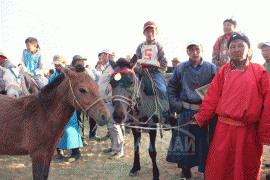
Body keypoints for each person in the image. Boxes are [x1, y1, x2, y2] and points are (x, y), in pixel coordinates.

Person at [193, 32, 270, 179]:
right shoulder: (222, 71)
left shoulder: (260, 72)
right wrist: (201, 117)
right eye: (232, 46)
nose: (236, 49)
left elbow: (268, 104)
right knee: (221, 168)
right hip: (224, 130)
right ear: (228, 51)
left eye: (241, 46)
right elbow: (211, 98)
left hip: (249, 132)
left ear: (249, 50)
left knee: (247, 170)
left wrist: (265, 132)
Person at [166, 40, 218, 179]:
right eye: (191, 50)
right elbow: (171, 87)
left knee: (206, 143)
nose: (194, 53)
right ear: (187, 52)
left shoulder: (212, 68)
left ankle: (208, 171)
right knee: (185, 142)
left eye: (197, 49)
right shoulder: (180, 68)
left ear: (201, 50)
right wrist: (176, 104)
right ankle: (185, 171)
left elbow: (219, 89)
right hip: (186, 111)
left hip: (205, 112)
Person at [49, 55, 83, 161]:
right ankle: (59, 151)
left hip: (68, 106)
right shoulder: (53, 76)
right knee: (56, 129)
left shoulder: (70, 75)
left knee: (70, 129)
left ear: (64, 64)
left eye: (58, 64)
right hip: (56, 107)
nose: (56, 66)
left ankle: (75, 152)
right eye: (55, 64)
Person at [136, 21, 170, 123]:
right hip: (142, 73)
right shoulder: (140, 46)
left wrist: (153, 67)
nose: (150, 33)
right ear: (144, 33)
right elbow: (136, 62)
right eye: (147, 31)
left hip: (155, 72)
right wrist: (141, 68)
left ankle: (165, 115)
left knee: (162, 89)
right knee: (133, 88)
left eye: (152, 31)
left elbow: (164, 63)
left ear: (156, 32)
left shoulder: (159, 46)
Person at [98, 48, 124, 159]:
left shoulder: (113, 67)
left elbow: (118, 80)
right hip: (106, 100)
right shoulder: (107, 68)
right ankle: (114, 147)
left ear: (106, 55)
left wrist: (109, 91)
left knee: (114, 125)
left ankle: (119, 150)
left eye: (102, 55)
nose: (100, 58)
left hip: (111, 100)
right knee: (110, 126)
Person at [70, 55, 97, 146]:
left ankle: (92, 134)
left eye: (83, 61)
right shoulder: (71, 71)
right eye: (81, 61)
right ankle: (81, 138)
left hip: (88, 97)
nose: (83, 63)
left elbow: (93, 80)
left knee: (92, 116)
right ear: (75, 62)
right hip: (78, 98)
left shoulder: (87, 71)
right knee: (79, 118)